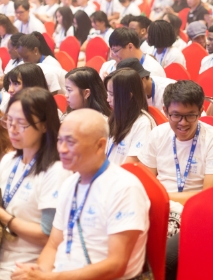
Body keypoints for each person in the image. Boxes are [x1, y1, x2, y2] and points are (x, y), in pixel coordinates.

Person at [12, 109, 150, 279]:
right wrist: (38, 272)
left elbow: (116, 265)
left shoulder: (124, 188)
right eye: (60, 140)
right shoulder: (70, 183)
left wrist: (50, 278)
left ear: (100, 145)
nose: (62, 149)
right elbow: (54, 244)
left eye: (70, 142)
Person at [138, 81, 213, 279]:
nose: (183, 123)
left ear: (201, 111)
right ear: (165, 111)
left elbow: (208, 196)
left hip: (195, 213)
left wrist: (164, 198)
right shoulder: (158, 134)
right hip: (157, 209)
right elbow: (145, 183)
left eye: (190, 116)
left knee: (160, 260)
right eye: (176, 115)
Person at [0, 88, 71, 278]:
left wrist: (4, 217)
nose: (13, 129)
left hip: (26, 267)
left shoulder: (56, 171)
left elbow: (48, 235)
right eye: (9, 121)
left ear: (45, 125)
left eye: (21, 123)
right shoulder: (9, 161)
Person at [104, 68, 155, 165]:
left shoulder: (143, 124)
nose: (107, 99)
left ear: (129, 95)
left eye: (111, 94)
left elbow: (131, 164)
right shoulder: (115, 116)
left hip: (123, 173)